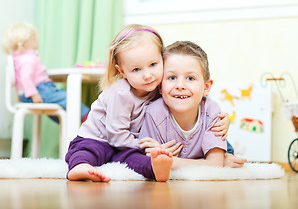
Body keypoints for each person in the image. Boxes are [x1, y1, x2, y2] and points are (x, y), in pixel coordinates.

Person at [65, 24, 231, 183]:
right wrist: (143, 145)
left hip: (127, 145)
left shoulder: (159, 87)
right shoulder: (122, 93)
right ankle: (80, 167)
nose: (147, 75)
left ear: (162, 60)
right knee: (87, 150)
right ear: (122, 71)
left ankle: (156, 169)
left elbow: (200, 114)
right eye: (136, 69)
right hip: (101, 138)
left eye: (153, 65)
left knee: (139, 160)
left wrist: (223, 119)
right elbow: (116, 136)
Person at [139, 41, 247, 168]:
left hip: (208, 163)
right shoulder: (154, 112)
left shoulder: (211, 110)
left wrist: (169, 161)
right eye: (172, 78)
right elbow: (146, 160)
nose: (180, 86)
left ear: (206, 87)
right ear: (160, 87)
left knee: (229, 158)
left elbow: (215, 164)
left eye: (190, 78)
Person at [1, 22, 90, 123]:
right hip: (41, 90)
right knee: (68, 98)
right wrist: (33, 93)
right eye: (34, 39)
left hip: (35, 91)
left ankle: (70, 123)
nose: (37, 41)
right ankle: (87, 117)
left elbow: (20, 80)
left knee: (59, 107)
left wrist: (20, 94)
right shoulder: (28, 58)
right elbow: (25, 77)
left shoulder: (19, 58)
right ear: (25, 44)